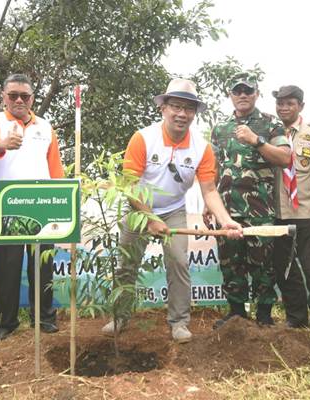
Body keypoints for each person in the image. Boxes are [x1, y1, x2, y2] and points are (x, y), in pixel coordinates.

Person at [101, 78, 243, 343]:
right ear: (163, 108)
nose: (182, 114)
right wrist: (150, 219)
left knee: (178, 262)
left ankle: (179, 322)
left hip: (174, 210)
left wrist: (227, 221)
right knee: (127, 264)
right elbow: (129, 186)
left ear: (195, 114)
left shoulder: (201, 148)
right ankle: (119, 316)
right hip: (138, 208)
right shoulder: (143, 138)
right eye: (176, 106)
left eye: (189, 109)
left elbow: (209, 191)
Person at [0, 73, 65, 340]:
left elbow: (55, 170)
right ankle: (6, 320)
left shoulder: (45, 127)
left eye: (24, 96)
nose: (18, 100)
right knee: (6, 268)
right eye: (13, 95)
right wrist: (3, 144)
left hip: (42, 206)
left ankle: (44, 317)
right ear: (3, 97)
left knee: (42, 265)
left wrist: (62, 201)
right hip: (7, 207)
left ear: (32, 99)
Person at [209, 72, 291, 328]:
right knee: (230, 263)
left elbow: (285, 158)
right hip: (226, 210)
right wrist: (206, 202)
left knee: (263, 263)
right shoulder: (220, 128)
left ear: (256, 94)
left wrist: (257, 140)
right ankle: (236, 315)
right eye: (237, 91)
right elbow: (213, 168)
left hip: (260, 209)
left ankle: (264, 316)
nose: (242, 95)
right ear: (230, 95)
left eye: (248, 91)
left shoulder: (271, 124)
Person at [272, 85, 310, 341]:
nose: (284, 108)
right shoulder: (271, 134)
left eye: (290, 103)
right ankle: (296, 317)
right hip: (278, 215)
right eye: (280, 103)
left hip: (306, 213)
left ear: (301, 106)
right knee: (283, 270)